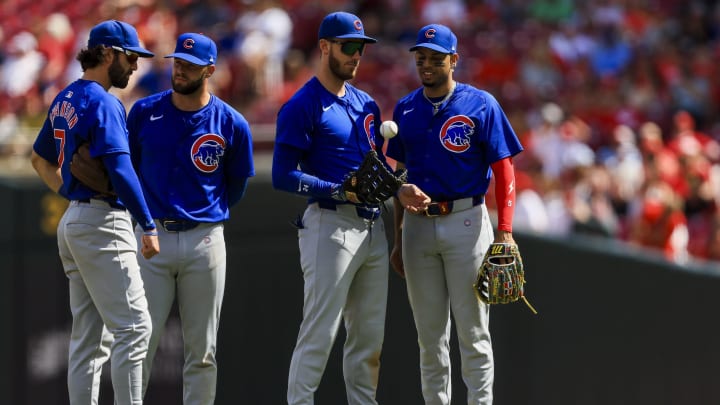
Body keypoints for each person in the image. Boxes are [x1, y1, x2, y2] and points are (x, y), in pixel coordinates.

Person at [271, 11, 428, 405]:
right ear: (324, 47)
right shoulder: (302, 105)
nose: (356, 55)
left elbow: (375, 171)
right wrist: (339, 190)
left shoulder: (366, 105)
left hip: (373, 228)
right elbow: (282, 175)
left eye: (361, 48)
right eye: (348, 46)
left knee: (368, 341)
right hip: (330, 224)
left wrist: (399, 189)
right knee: (319, 334)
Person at [386, 24, 525, 405]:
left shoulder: (480, 103)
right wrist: (398, 238)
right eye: (421, 58)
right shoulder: (407, 107)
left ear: (453, 60)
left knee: (474, 334)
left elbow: (504, 168)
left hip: (466, 221)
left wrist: (506, 231)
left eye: (435, 57)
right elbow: (398, 175)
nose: (427, 64)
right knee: (430, 338)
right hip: (417, 227)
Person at [29, 20, 159, 405]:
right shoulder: (104, 102)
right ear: (107, 54)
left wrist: (72, 194)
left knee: (89, 339)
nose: (135, 66)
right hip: (102, 222)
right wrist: (148, 223)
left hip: (76, 221)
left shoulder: (66, 96)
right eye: (130, 56)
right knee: (135, 329)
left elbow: (39, 159)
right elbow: (120, 169)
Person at [126, 33, 255, 404]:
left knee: (202, 350)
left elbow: (236, 185)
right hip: (152, 237)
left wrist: (207, 215)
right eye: (177, 62)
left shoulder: (231, 122)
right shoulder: (144, 111)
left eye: (190, 65)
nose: (179, 70)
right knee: (140, 342)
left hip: (204, 239)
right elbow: (128, 171)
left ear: (210, 70)